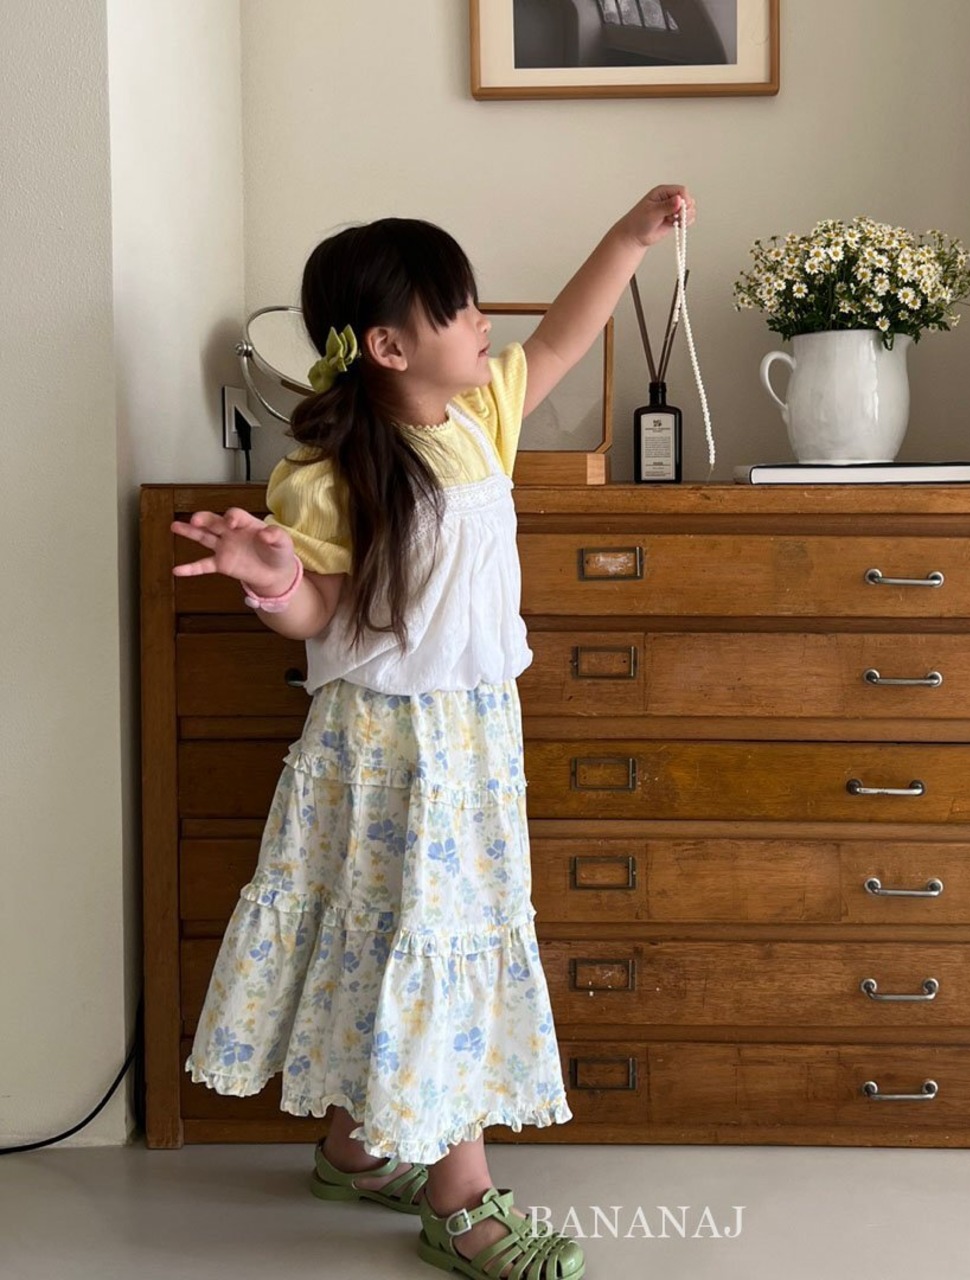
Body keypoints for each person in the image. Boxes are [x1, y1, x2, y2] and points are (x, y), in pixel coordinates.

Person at [173, 185, 696, 1279]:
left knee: (415, 935)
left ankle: (358, 1149)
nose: (483, 322)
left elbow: (565, 334)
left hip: (471, 740)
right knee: (426, 939)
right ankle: (460, 1200)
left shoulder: (481, 417)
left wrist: (627, 238)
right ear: (388, 345)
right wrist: (272, 579)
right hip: (381, 750)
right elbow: (320, 611)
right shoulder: (325, 475)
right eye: (459, 308)